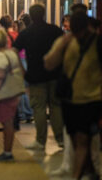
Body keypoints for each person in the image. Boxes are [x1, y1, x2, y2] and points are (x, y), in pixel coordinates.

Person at [44, 11, 102, 180]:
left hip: (92, 100)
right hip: (70, 100)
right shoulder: (66, 42)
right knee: (77, 141)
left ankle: (77, 175)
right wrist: (64, 43)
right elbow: (49, 64)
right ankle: (91, 171)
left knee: (83, 139)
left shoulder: (98, 43)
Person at [13, 4, 64, 150]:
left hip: (35, 76)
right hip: (55, 74)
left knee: (39, 108)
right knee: (56, 107)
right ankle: (60, 139)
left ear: (31, 15)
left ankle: (41, 141)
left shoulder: (26, 33)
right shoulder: (55, 30)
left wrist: (22, 70)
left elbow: (14, 51)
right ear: (43, 13)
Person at [0, 28, 25, 162]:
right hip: (14, 93)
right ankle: (7, 151)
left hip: (5, 94)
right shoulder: (12, 53)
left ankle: (7, 152)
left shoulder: (1, 56)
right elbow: (22, 71)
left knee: (7, 123)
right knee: (9, 122)